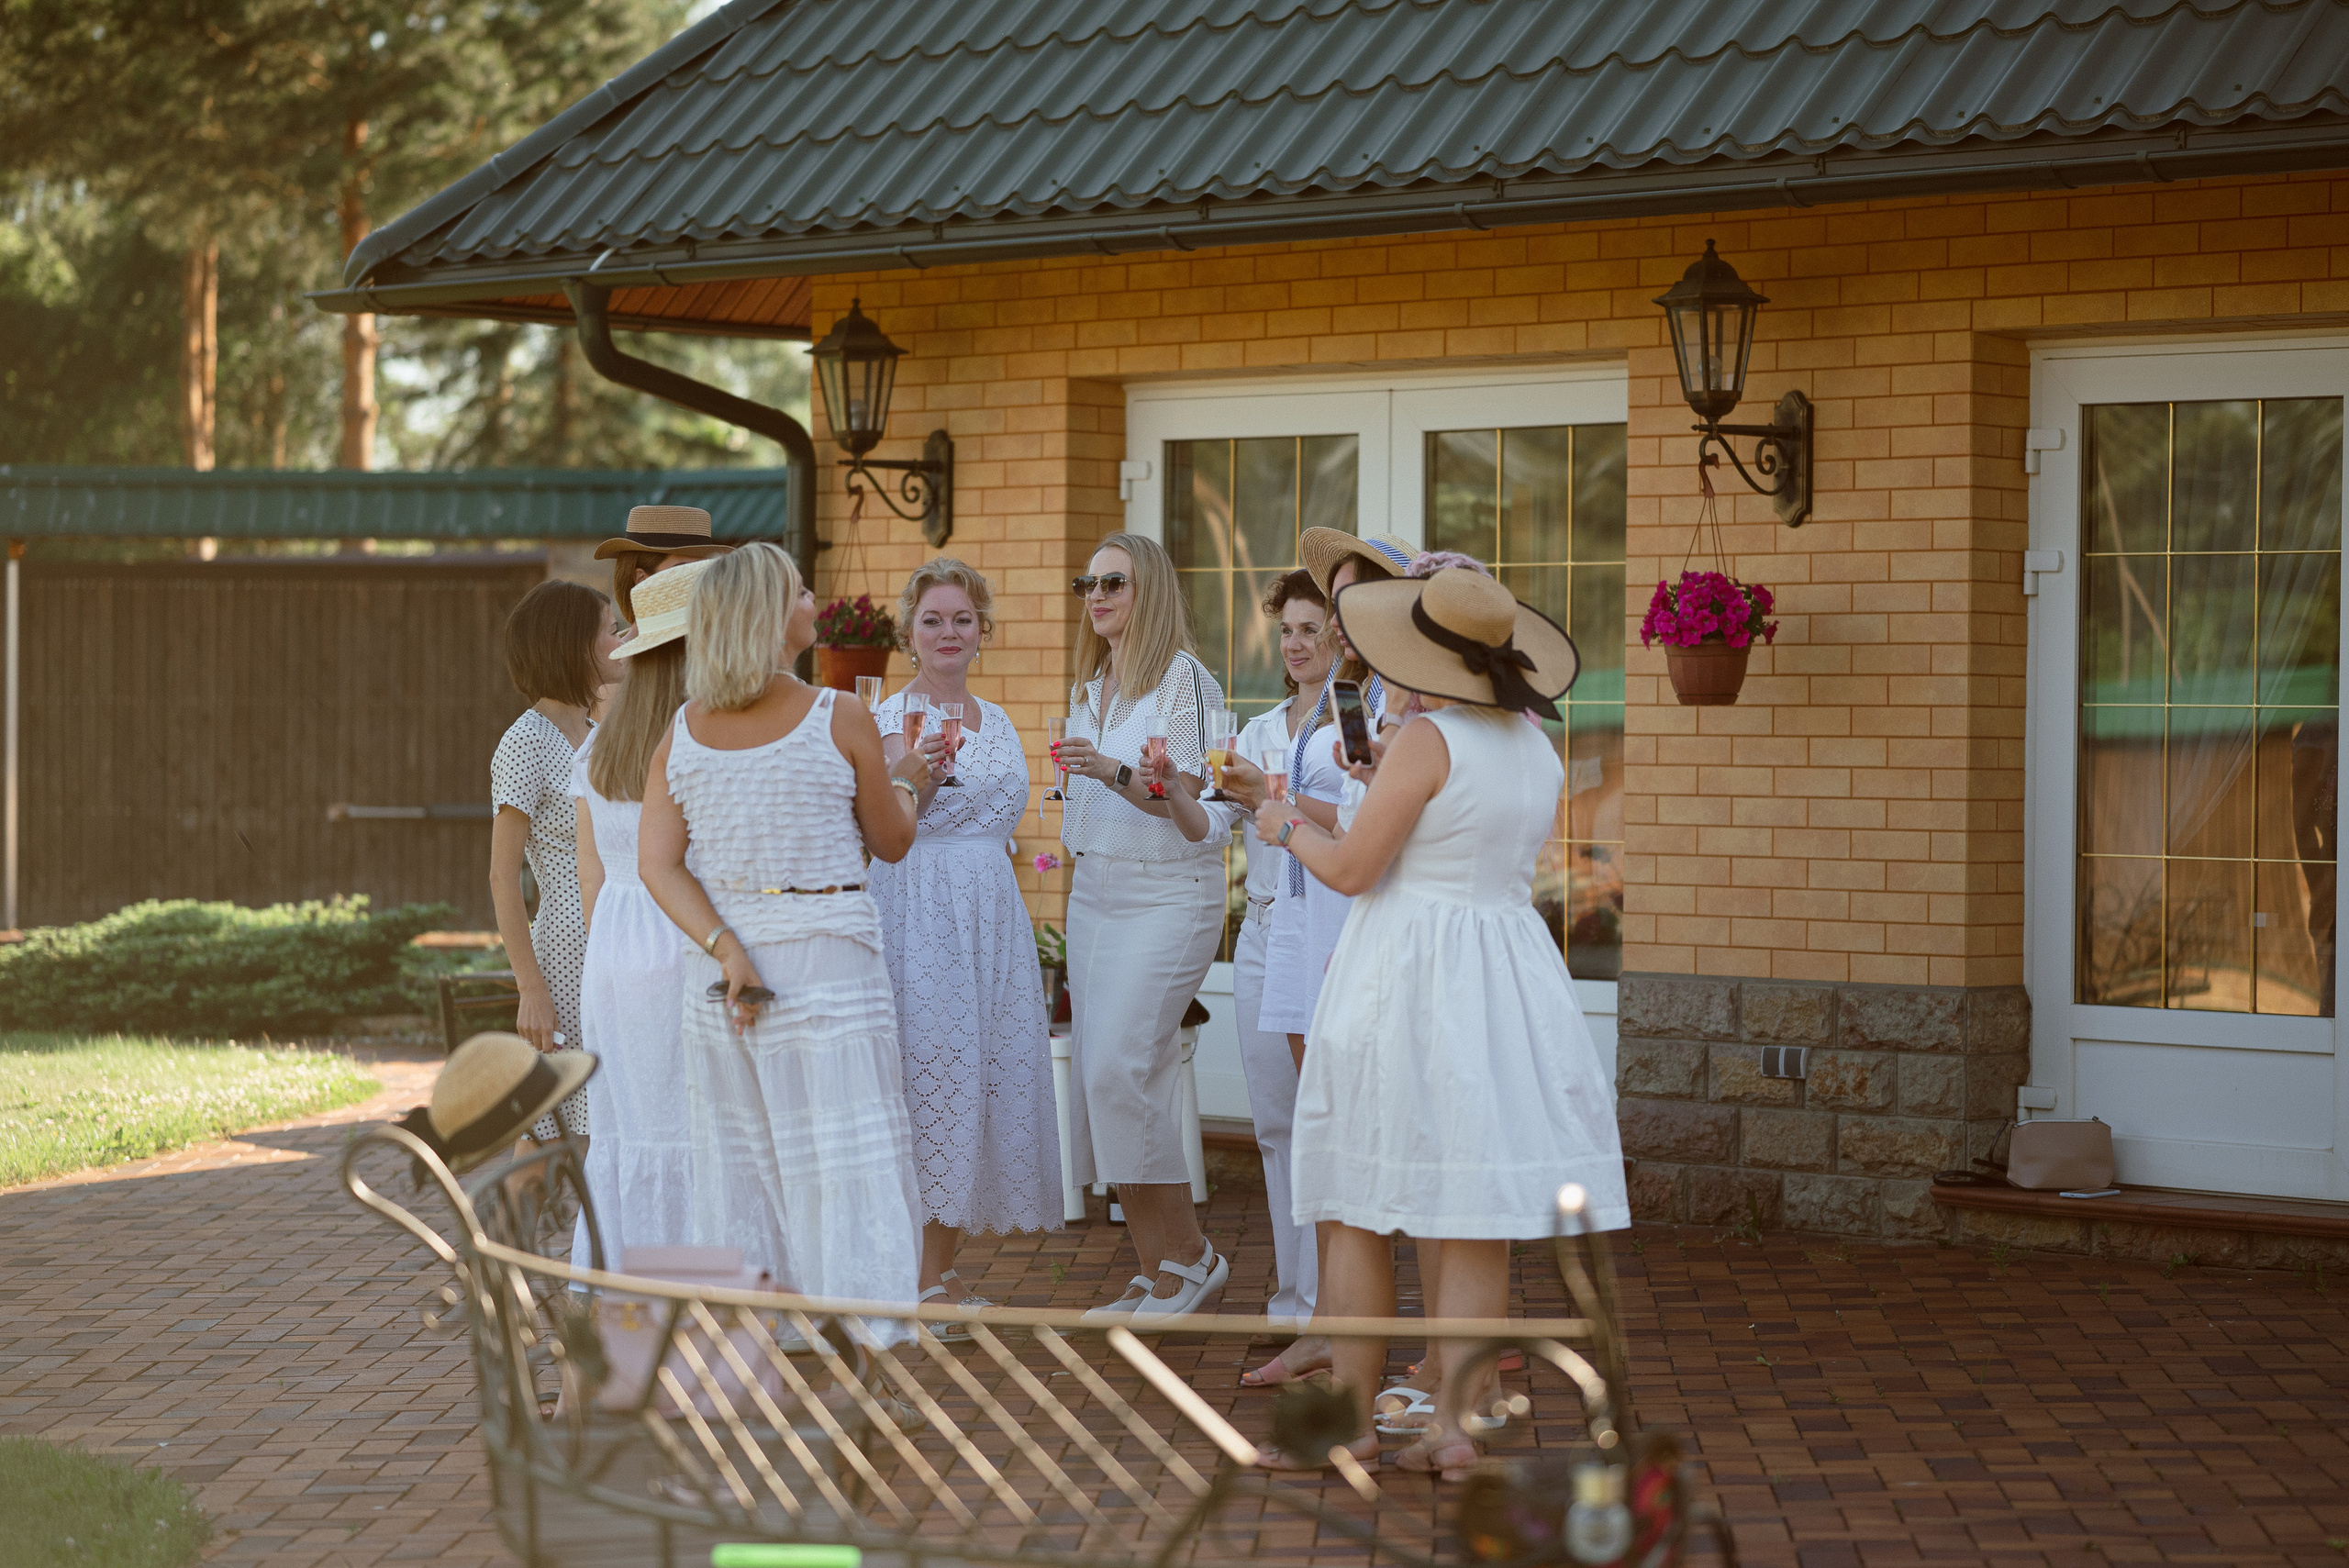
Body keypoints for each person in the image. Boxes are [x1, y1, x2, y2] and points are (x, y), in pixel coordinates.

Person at [1255, 566, 1627, 1481]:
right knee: (1472, 1217)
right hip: (1498, 976)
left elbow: (1348, 869)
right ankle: (1451, 1428)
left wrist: (1276, 823)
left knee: (1352, 1207)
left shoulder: (1425, 737)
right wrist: (1384, 771)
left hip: (1406, 975)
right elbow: (1464, 827)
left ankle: (1350, 1420)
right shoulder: (1529, 744)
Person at [637, 543, 932, 1306]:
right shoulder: (841, 714)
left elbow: (657, 865)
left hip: (731, 978)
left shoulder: (684, 728)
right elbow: (893, 842)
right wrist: (911, 778)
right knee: (846, 1166)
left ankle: (769, 1339)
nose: (816, 602)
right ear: (774, 616)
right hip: (828, 964)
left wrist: (727, 948)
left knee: (747, 1162)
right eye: (803, 592)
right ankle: (865, 1343)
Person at [869, 558, 1062, 1334]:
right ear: (910, 635)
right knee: (929, 1078)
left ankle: (936, 1270)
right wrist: (923, 773)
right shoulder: (890, 718)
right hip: (920, 913)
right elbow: (886, 818)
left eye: (962, 619)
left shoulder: (1001, 720)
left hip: (992, 915)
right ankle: (911, 1280)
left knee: (980, 1076)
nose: (949, 633)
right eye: (933, 620)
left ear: (983, 630)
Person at [1049, 532, 1232, 1323]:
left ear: (1147, 588)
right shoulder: (1092, 687)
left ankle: (1193, 1256)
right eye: (1088, 581)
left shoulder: (1185, 685)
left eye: (1114, 581)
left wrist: (1111, 771)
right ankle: (1156, 1264)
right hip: (1095, 891)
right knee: (1104, 1075)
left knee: (1119, 1066)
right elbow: (1078, 806)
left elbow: (1185, 803)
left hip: (1168, 894)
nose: (1097, 594)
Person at [569, 558, 716, 1267]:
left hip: (616, 950)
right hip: (685, 932)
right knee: (695, 1122)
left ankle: (620, 1278)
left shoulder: (599, 744)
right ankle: (694, 1283)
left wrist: (606, 958)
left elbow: (589, 874)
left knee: (625, 1125)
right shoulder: (698, 739)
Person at [1225, 570, 1336, 1378]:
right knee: (1274, 1122)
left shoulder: (1355, 724)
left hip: (1329, 930)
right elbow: (1216, 826)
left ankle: (1336, 1309)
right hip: (1261, 928)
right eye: (1287, 630)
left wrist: (1265, 792)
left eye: (1312, 627)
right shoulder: (1260, 727)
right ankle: (1294, 1302)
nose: (1297, 644)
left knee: (1327, 1123)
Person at [490, 578, 625, 1142]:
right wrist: (530, 987)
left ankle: (579, 1233)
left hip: (612, 932)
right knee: (554, 1127)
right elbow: (502, 877)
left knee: (602, 1117)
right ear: (573, 645)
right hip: (566, 946)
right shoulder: (525, 741)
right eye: (611, 630)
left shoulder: (598, 734)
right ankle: (502, 1228)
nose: (622, 639)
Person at [594, 505, 733, 626]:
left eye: (703, 572)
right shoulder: (612, 654)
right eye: (684, 572)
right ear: (641, 580)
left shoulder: (717, 650)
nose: (699, 585)